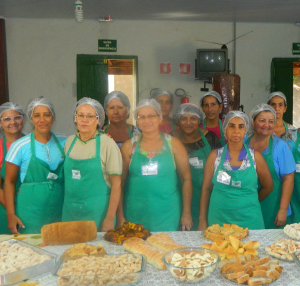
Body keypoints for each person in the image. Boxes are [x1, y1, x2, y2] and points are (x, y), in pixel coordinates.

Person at [120, 99, 192, 231]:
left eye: (151, 116)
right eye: (141, 117)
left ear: (160, 118)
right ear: (137, 121)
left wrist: (186, 213)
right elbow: (120, 184)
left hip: (168, 214)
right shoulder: (128, 147)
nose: (146, 120)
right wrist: (120, 216)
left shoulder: (174, 144)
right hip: (135, 215)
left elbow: (186, 179)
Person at [199, 111, 272, 230]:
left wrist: (249, 201)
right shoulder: (214, 156)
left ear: (246, 131)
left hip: (249, 219)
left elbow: (268, 186)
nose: (236, 130)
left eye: (241, 126)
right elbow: (206, 189)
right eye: (231, 126)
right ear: (225, 130)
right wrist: (202, 220)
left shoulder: (255, 157)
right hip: (219, 219)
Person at [4, 98, 66, 234]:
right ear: (31, 118)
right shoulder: (19, 146)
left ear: (53, 117)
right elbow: (9, 182)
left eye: (47, 115)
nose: (42, 120)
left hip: (59, 210)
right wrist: (10, 214)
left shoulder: (65, 142)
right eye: (37, 115)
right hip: (30, 213)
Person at [62, 98, 122, 232]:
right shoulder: (69, 142)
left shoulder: (107, 144)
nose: (84, 120)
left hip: (97, 214)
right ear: (75, 118)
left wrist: (109, 218)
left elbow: (116, 184)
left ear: (99, 120)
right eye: (80, 115)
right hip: (70, 212)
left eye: (90, 116)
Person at [247, 104, 296, 229]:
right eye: (262, 120)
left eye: (271, 121)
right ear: (253, 122)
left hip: (273, 206)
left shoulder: (280, 147)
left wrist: (283, 209)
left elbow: (288, 179)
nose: (266, 125)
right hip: (247, 206)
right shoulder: (243, 144)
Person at [174, 103, 220, 228]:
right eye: (183, 118)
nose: (188, 122)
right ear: (177, 120)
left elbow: (220, 168)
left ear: (199, 120)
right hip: (178, 199)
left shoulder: (210, 138)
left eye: (193, 118)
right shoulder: (171, 139)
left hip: (206, 198)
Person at [0, 102, 25, 234]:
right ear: (0, 123)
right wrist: (13, 211)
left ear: (23, 119)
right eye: (7, 119)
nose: (12, 122)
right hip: (5, 209)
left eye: (17, 117)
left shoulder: (32, 143)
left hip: (30, 207)